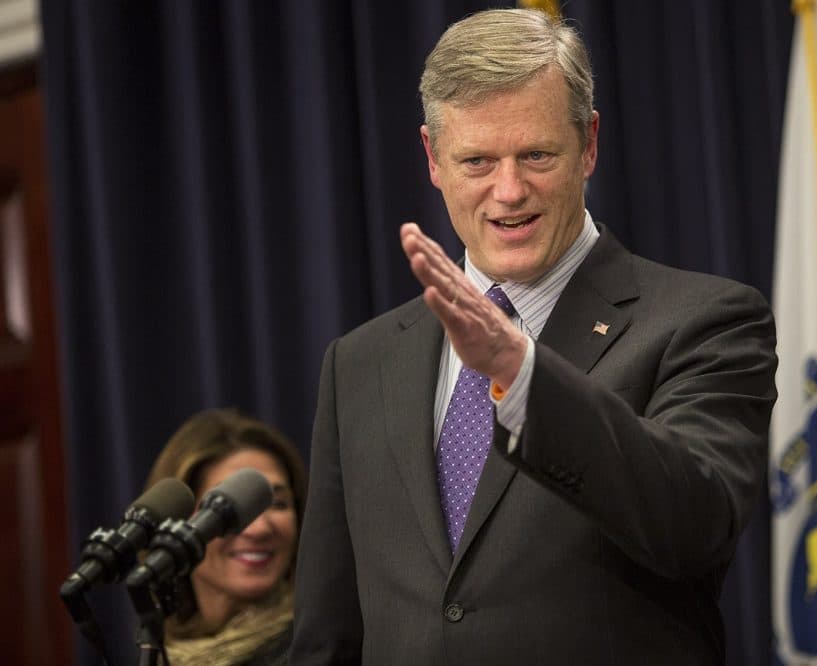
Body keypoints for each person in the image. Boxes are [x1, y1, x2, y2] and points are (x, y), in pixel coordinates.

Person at [291, 8, 777, 664]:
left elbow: (694, 524)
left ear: (590, 144)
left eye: (537, 155)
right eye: (478, 160)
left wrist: (522, 376)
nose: (510, 190)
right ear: (433, 158)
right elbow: (330, 632)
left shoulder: (704, 322)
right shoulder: (360, 362)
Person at [144, 407, 307, 666]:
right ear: (174, 525)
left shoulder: (320, 644)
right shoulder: (157, 651)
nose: (259, 528)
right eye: (225, 509)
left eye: (277, 503)